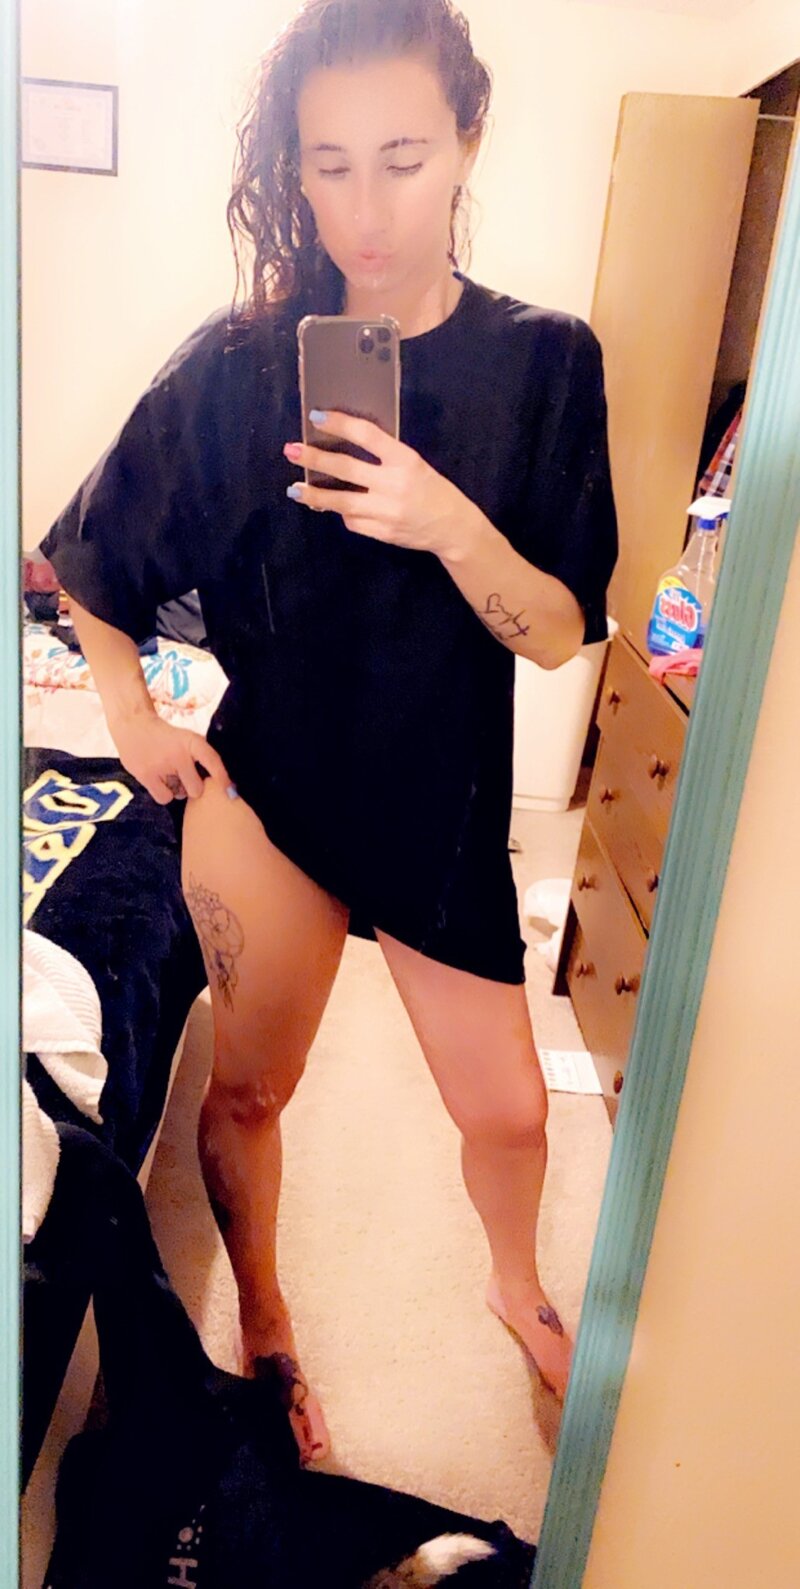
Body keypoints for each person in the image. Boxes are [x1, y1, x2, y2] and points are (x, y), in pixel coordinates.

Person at [41, 0, 618, 1466]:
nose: (367, 210)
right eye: (331, 165)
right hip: (271, 792)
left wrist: (445, 520)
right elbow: (86, 558)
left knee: (511, 1111)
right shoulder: (235, 367)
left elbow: (559, 630)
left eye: (404, 160)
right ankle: (268, 1316)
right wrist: (129, 715)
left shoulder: (548, 363)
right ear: (291, 171)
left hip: (439, 796)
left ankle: (512, 1284)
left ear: (468, 139)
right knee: (248, 1089)